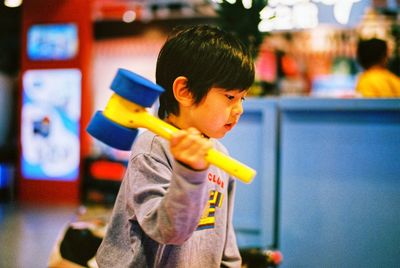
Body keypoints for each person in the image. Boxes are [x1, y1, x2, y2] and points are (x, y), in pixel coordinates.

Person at [95, 24, 255, 268]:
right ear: (185, 91)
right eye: (230, 97)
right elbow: (168, 231)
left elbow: (223, 232)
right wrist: (190, 173)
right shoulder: (152, 149)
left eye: (242, 98)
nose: (239, 109)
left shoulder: (218, 154)